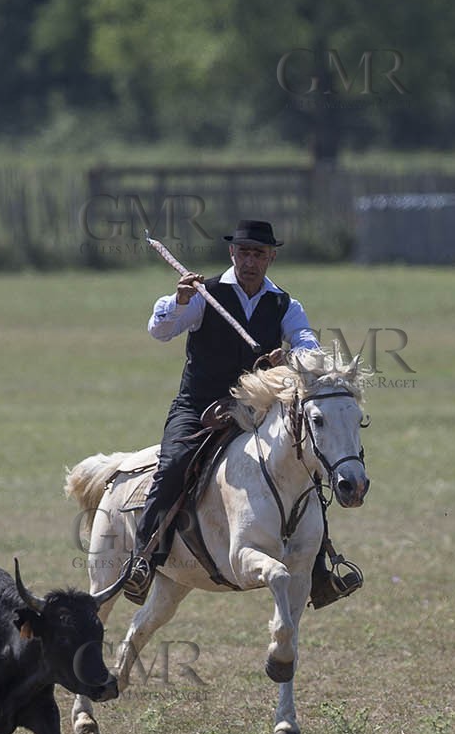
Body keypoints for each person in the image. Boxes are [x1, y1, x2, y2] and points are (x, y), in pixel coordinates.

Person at [109, 219, 346, 605]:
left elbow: (307, 344)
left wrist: (290, 357)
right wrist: (180, 301)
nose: (250, 261)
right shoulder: (206, 294)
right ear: (231, 253)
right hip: (200, 406)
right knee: (173, 464)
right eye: (244, 252)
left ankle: (320, 569)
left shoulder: (284, 303)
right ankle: (143, 561)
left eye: (259, 253)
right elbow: (160, 329)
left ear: (271, 257)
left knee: (305, 464)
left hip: (257, 406)